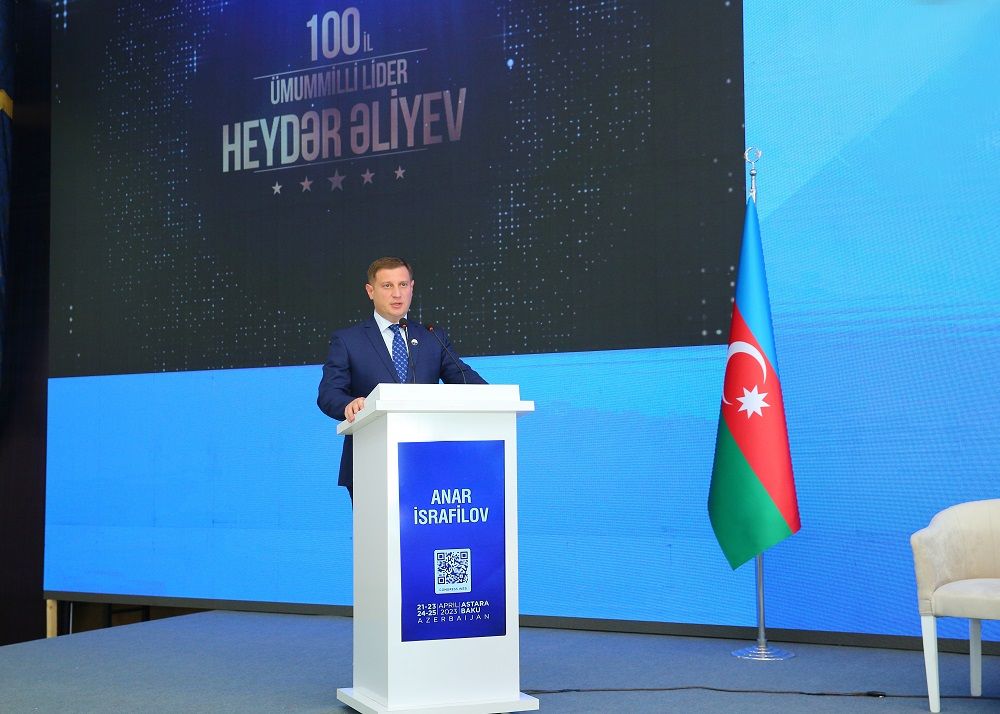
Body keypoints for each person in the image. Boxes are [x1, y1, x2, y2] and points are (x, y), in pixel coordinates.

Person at [317, 256, 487, 498]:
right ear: (370, 291)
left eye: (403, 285)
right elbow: (329, 394)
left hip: (430, 462)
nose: (397, 294)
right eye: (387, 286)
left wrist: (497, 397)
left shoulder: (432, 336)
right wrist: (349, 404)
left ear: (412, 287)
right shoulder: (348, 340)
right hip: (369, 463)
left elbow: (464, 379)